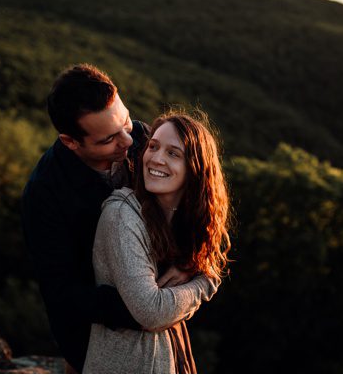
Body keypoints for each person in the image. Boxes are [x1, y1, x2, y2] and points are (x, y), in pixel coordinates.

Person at [22, 64, 192, 373]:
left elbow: (198, 202)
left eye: (125, 121)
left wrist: (192, 261)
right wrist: (149, 306)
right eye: (109, 139)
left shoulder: (140, 137)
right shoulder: (44, 194)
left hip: (168, 324)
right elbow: (62, 293)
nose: (128, 141)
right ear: (70, 141)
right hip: (96, 344)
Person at [82, 111, 231, 373]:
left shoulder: (183, 221)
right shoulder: (122, 215)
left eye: (173, 153)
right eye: (153, 146)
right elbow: (151, 310)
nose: (156, 158)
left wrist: (193, 267)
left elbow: (211, 252)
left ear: (195, 168)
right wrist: (203, 282)